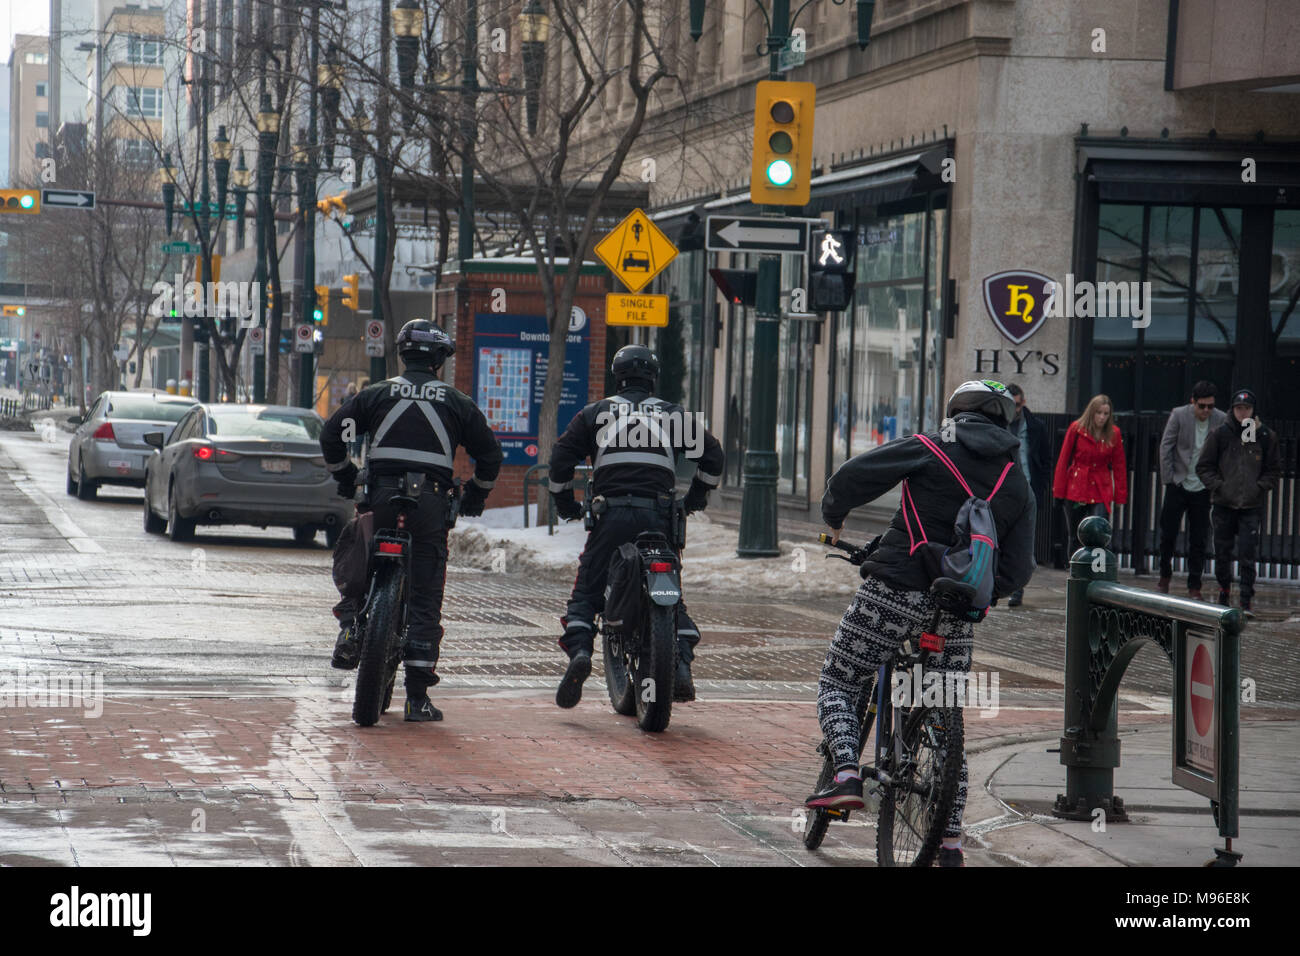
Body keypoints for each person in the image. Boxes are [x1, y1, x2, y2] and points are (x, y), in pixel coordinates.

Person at [806, 381, 1034, 867]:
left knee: (840, 680)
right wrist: (983, 597)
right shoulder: (1016, 479)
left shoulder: (933, 445)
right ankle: (950, 846)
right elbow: (1018, 568)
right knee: (949, 728)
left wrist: (834, 515)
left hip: (895, 589)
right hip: (957, 610)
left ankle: (847, 773)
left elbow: (852, 477)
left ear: (957, 411)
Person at [320, 320, 503, 721]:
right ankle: (417, 698)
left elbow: (332, 434)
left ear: (403, 355)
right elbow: (490, 455)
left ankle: (350, 626)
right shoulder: (457, 403)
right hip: (430, 507)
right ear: (438, 360)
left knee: (355, 559)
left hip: (380, 498)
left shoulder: (375, 394)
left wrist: (346, 475)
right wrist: (475, 493)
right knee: (425, 594)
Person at [548, 345, 725, 708]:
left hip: (610, 515)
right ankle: (679, 663)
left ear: (618, 376)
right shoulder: (673, 416)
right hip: (658, 517)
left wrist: (566, 503)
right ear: (652, 379)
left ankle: (580, 652)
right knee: (672, 593)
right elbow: (714, 457)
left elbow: (560, 461)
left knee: (588, 588)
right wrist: (693, 500)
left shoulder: (595, 413)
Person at [1195, 388, 1281, 619]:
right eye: (1239, 408)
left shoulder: (1264, 436)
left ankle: (1245, 599)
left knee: (1247, 553)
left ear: (1254, 411)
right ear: (1233, 410)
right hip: (1224, 503)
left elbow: (1273, 470)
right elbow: (1204, 466)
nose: (1243, 413)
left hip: (1250, 505)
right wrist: (1219, 486)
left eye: (1247, 409)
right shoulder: (1220, 434)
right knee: (1222, 552)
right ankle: (1224, 591)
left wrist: (1259, 486)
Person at [1157, 382, 1227, 599]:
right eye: (1202, 406)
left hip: (1203, 487)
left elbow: (1228, 450)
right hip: (1179, 483)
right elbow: (1166, 447)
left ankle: (1194, 585)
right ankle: (1164, 577)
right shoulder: (1179, 415)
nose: (1206, 411)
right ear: (1193, 402)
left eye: (1210, 406)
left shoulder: (1221, 418)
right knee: (1168, 534)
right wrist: (1169, 479)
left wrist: (1216, 482)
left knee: (1199, 538)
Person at [1052, 394, 1127, 554]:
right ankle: (1075, 570)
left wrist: (1120, 495)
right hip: (1077, 485)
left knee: (1099, 531)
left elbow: (1119, 466)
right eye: (1098, 413)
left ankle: (1098, 571)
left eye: (1106, 414)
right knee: (1076, 535)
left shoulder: (1114, 433)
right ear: (1091, 412)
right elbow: (1063, 460)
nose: (1102, 417)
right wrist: (1059, 491)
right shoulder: (1076, 429)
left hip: (1101, 486)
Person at [1006, 384, 1051, 606]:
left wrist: (1040, 489)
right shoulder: (997, 425)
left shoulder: (1035, 426)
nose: (1014, 409)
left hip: (1028, 492)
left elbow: (1045, 461)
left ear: (1023, 403)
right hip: (1002, 492)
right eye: (1010, 404)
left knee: (1024, 542)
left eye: (1017, 404)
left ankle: (1017, 589)